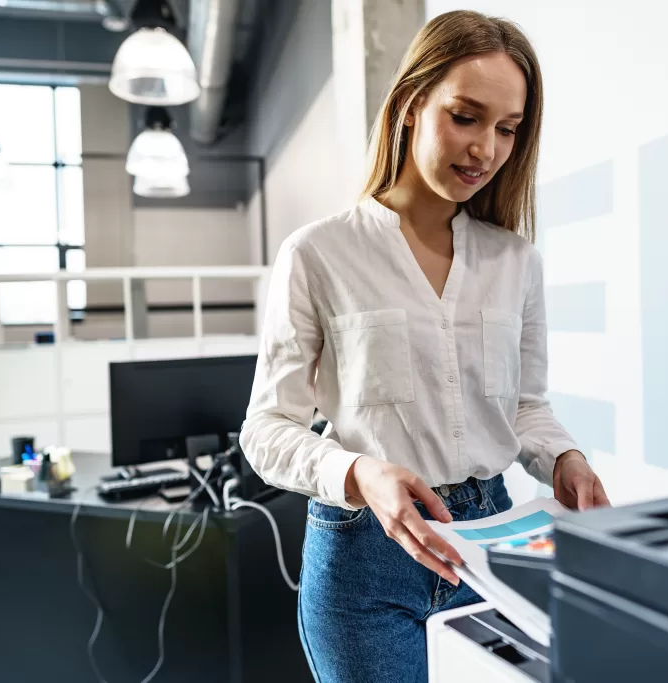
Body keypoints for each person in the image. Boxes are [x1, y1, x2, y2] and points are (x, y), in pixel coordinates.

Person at [239, 10, 611, 683]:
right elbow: (266, 430)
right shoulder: (318, 253)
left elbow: (524, 408)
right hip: (365, 560)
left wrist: (566, 456)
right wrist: (362, 473)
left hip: (491, 543)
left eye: (507, 129)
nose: (486, 150)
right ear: (412, 103)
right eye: (465, 117)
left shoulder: (516, 261)